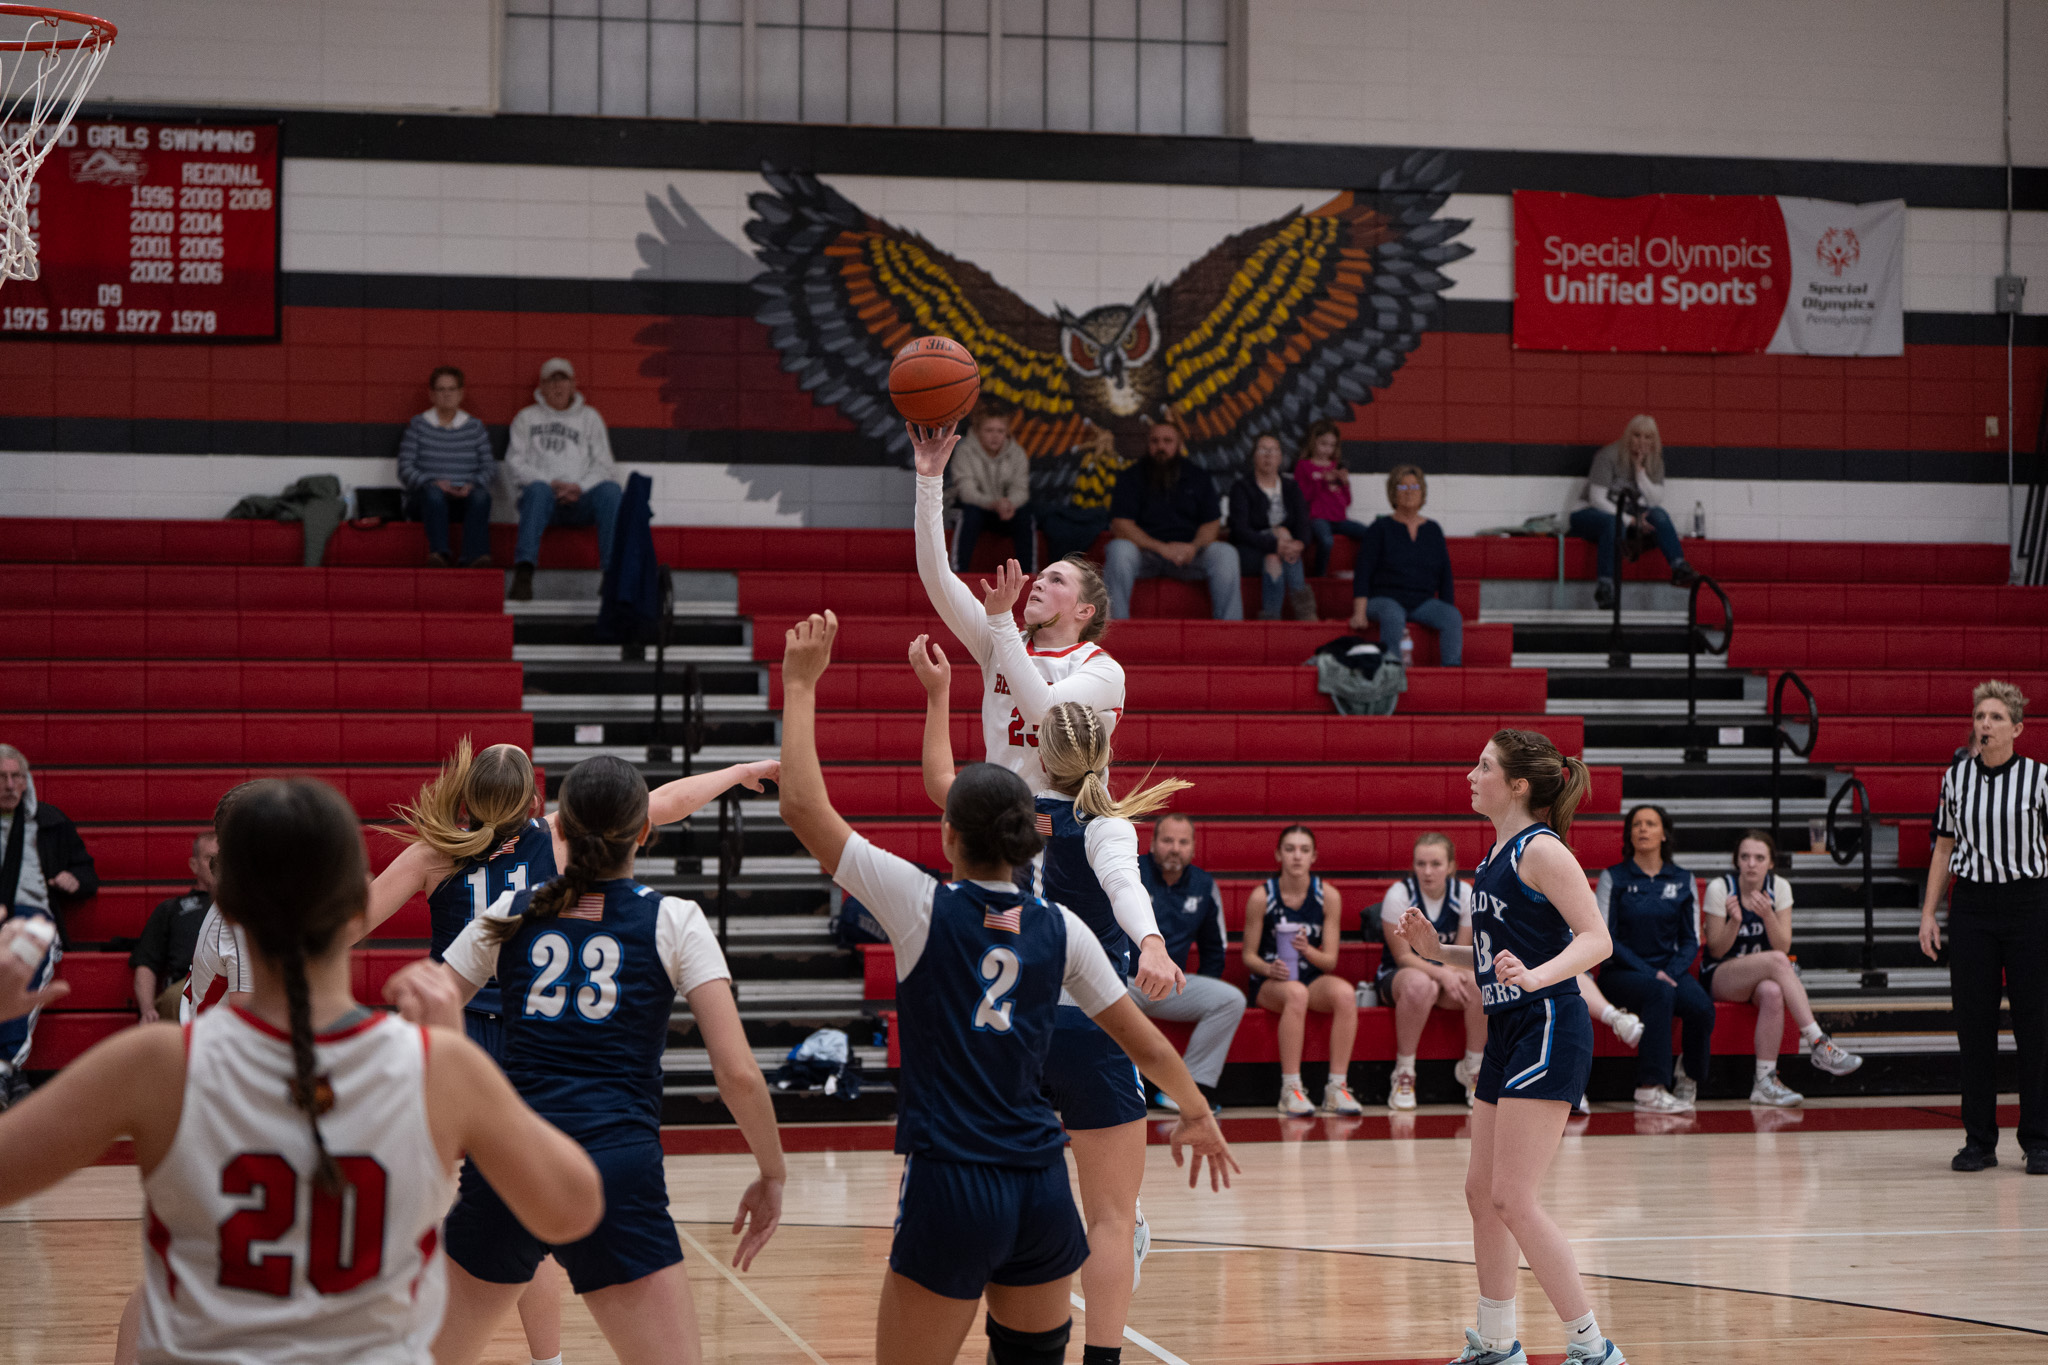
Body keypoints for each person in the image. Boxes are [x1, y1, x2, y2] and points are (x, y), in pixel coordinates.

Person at [0, 777, 605, 1363]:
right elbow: (575, 1207)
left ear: (226, 905)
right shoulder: (438, 1067)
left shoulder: (153, 1066)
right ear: (357, 907)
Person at [774, 610, 1235, 1365]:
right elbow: (1142, 1036)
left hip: (954, 1178)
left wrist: (800, 686)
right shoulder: (1063, 930)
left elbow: (803, 808)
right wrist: (1196, 1110)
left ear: (948, 836)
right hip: (1039, 1189)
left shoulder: (920, 906)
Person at [388, 754, 789, 1365]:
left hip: (511, 1160)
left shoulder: (507, 915)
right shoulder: (674, 920)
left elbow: (426, 1011)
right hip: (618, 1169)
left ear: (561, 830)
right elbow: (737, 1075)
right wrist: (773, 1172)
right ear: (644, 833)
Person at [911, 619, 1186, 1361]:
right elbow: (1126, 886)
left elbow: (940, 780)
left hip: (1011, 1031)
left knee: (1006, 1190)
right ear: (1100, 746)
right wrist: (1153, 940)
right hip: (1091, 1029)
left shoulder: (1006, 814)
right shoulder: (1105, 819)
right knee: (1110, 1219)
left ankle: (1001, 1329)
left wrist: (938, 694)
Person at [1395, 730, 1624, 1365]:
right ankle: (1497, 1344)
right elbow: (1492, 956)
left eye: (1484, 766)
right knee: (1481, 1192)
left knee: (1513, 1197)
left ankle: (1593, 1348)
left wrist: (1538, 975)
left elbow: (1596, 938)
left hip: (1549, 1022)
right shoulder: (1494, 853)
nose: (1472, 774)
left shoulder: (1542, 849)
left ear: (1518, 785)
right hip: (1507, 1028)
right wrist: (1436, 951)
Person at [911, 421, 1124, 796]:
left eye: (1057, 580)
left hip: (1069, 829)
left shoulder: (1103, 670)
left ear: (1084, 611)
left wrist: (999, 620)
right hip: (1005, 820)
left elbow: (1042, 711)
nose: (1039, 582)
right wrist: (930, 481)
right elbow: (935, 576)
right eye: (1040, 576)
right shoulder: (1000, 639)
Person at [1919, 680, 2048, 1175]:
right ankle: (1978, 1140)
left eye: (1995, 717)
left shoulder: (2039, 779)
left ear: (2017, 728)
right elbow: (1944, 849)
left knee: (2035, 1026)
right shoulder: (1956, 780)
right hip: (1972, 906)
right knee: (1974, 1027)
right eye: (1979, 717)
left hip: (2030, 903)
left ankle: (2038, 1139)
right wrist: (1929, 913)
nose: (1985, 725)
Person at [1702, 829, 1863, 1107]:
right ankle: (1817, 1041)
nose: (1752, 863)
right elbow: (1716, 949)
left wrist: (1767, 915)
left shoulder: (1780, 888)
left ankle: (1764, 1081)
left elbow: (1782, 943)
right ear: (1736, 861)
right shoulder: (1721, 888)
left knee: (1773, 991)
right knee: (1779, 961)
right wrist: (1734, 923)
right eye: (1745, 857)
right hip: (1722, 976)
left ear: (1771, 862)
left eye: (1759, 857)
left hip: (1762, 976)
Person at [1595, 804, 1713, 1114]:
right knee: (1659, 991)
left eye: (1650, 824)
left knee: (1701, 1007)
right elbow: (1607, 938)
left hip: (1668, 969)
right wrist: (1651, 972)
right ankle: (1650, 1090)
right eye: (1636, 824)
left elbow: (1691, 939)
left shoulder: (1682, 879)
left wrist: (1670, 971)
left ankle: (1688, 1075)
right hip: (1620, 972)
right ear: (1629, 834)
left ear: (1664, 834)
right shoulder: (1614, 878)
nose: (1643, 829)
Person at [1243, 825, 1364, 1117]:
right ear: (1278, 855)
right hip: (1271, 981)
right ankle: (1291, 1088)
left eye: (1304, 850)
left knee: (1346, 994)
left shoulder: (1328, 896)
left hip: (1311, 976)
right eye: (1290, 849)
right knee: (1295, 993)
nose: (1297, 856)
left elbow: (1330, 961)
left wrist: (1306, 949)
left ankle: (1337, 1087)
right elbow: (1248, 956)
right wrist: (1269, 968)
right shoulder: (1262, 896)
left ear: (1314, 857)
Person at [0, 744, 95, 1105]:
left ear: (26, 782)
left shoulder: (50, 822)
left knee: (20, 962)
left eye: (17, 777)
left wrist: (74, 878)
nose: (10, 785)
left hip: (34, 916)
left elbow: (88, 874)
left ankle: (6, 1064)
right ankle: (10, 1072)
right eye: (2, 777)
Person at [1132, 814, 1244, 1112]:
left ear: (1193, 848)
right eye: (1167, 840)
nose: (1174, 848)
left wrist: (1199, 987)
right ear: (1153, 844)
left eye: (1183, 842)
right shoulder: (1131, 873)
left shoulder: (1203, 884)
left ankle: (1188, 1090)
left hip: (1169, 985)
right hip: (1123, 982)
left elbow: (1214, 948)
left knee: (1230, 999)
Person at [1376, 833, 1485, 1110]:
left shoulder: (1464, 893)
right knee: (1420, 984)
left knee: (1480, 982)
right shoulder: (1399, 895)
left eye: (1435, 864)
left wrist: (1447, 973)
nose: (1427, 871)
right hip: (1401, 976)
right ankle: (1404, 1072)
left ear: (1450, 866)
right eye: (1420, 864)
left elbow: (1458, 953)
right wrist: (1442, 975)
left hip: (1447, 975)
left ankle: (1473, 1067)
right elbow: (1402, 957)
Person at [506, 357, 624, 601]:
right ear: (541, 386)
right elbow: (515, 462)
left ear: (574, 384)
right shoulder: (526, 418)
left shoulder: (590, 418)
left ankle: (611, 576)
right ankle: (524, 575)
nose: (558, 386)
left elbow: (605, 465)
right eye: (552, 381)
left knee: (612, 491)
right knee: (537, 490)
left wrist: (578, 487)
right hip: (542, 501)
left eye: (563, 380)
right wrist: (551, 484)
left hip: (581, 500)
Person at [1102, 421, 1241, 621]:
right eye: (1155, 441)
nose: (1161, 446)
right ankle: (1115, 629)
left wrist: (1193, 547)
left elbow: (1211, 524)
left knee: (1225, 553)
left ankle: (1230, 632)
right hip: (1145, 555)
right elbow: (1121, 525)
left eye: (1167, 441)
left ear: (1179, 444)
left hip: (1189, 556)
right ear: (1148, 444)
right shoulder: (1130, 477)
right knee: (1118, 550)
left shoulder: (1198, 476)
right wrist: (1161, 548)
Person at [1570, 414, 1696, 611]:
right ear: (1628, 436)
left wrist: (1640, 472)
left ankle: (1679, 568)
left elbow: (1654, 500)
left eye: (1648, 437)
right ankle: (1605, 586)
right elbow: (1597, 499)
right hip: (1587, 514)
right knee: (1613, 523)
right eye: (1637, 435)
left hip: (1625, 518)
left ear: (1654, 440)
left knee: (1659, 515)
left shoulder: (1655, 462)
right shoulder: (1609, 456)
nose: (1642, 442)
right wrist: (1630, 521)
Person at [1346, 464, 1463, 667]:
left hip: (1422, 602)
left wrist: (1447, 605)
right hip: (1384, 599)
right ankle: (1392, 671)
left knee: (1451, 616)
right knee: (1392, 614)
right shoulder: (1379, 529)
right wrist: (1359, 611)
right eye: (1402, 488)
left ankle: (1451, 674)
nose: (1409, 493)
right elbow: (1363, 571)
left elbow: (1445, 573)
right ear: (1393, 492)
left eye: (1414, 488)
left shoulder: (1433, 530)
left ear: (1422, 493)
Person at [398, 365, 498, 568]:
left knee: (481, 496)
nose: (446, 395)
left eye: (451, 389)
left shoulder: (475, 427)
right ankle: (439, 555)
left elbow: (489, 467)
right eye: (441, 390)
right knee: (433, 495)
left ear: (461, 393)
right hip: (427, 500)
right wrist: (432, 483)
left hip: (464, 497)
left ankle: (474, 557)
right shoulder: (418, 425)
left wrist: (472, 484)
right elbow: (405, 467)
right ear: (431, 394)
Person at [1228, 433, 1318, 621]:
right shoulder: (1242, 488)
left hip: (1285, 551)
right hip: (1250, 551)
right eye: (1262, 450)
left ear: (1280, 457)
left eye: (1273, 450)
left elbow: (1304, 523)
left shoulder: (1292, 487)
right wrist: (1274, 542)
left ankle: (1271, 618)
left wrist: (1300, 543)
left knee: (1277, 555)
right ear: (1254, 456)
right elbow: (1240, 530)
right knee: (1278, 544)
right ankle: (1307, 614)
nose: (1268, 455)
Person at [129, 832, 216, 1024]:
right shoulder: (172, 909)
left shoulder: (246, 906)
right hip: (188, 985)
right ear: (194, 865)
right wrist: (147, 1009)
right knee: (180, 997)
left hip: (235, 983)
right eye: (211, 858)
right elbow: (146, 963)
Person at [949, 402, 1036, 573]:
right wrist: (993, 503)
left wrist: (1008, 504)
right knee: (969, 514)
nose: (995, 436)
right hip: (976, 509)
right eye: (989, 430)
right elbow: (967, 492)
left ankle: (1028, 576)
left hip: (1005, 511)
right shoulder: (965, 451)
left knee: (1025, 516)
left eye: (1000, 431)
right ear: (978, 431)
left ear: (1007, 433)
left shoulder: (1017, 453)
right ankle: (958, 573)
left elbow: (1021, 490)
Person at [1294, 420, 1370, 577]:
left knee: (1370, 533)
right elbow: (1301, 498)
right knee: (1327, 541)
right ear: (1313, 442)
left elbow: (1347, 502)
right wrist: (1322, 481)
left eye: (1331, 445)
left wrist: (1345, 484)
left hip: (1339, 519)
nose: (1327, 449)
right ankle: (1319, 576)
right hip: (1317, 518)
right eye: (1323, 444)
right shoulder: (1304, 466)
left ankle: (1363, 572)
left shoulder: (1336, 466)